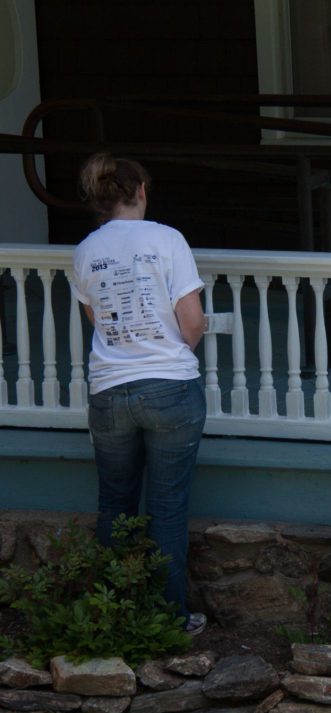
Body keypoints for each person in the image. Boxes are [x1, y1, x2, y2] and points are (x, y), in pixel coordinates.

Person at [69, 152, 208, 636]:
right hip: (169, 387)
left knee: (115, 505)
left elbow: (97, 320)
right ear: (141, 191)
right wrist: (173, 351)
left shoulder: (86, 250)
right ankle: (168, 619)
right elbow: (192, 321)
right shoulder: (167, 239)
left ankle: (115, 614)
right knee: (166, 508)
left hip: (109, 390)